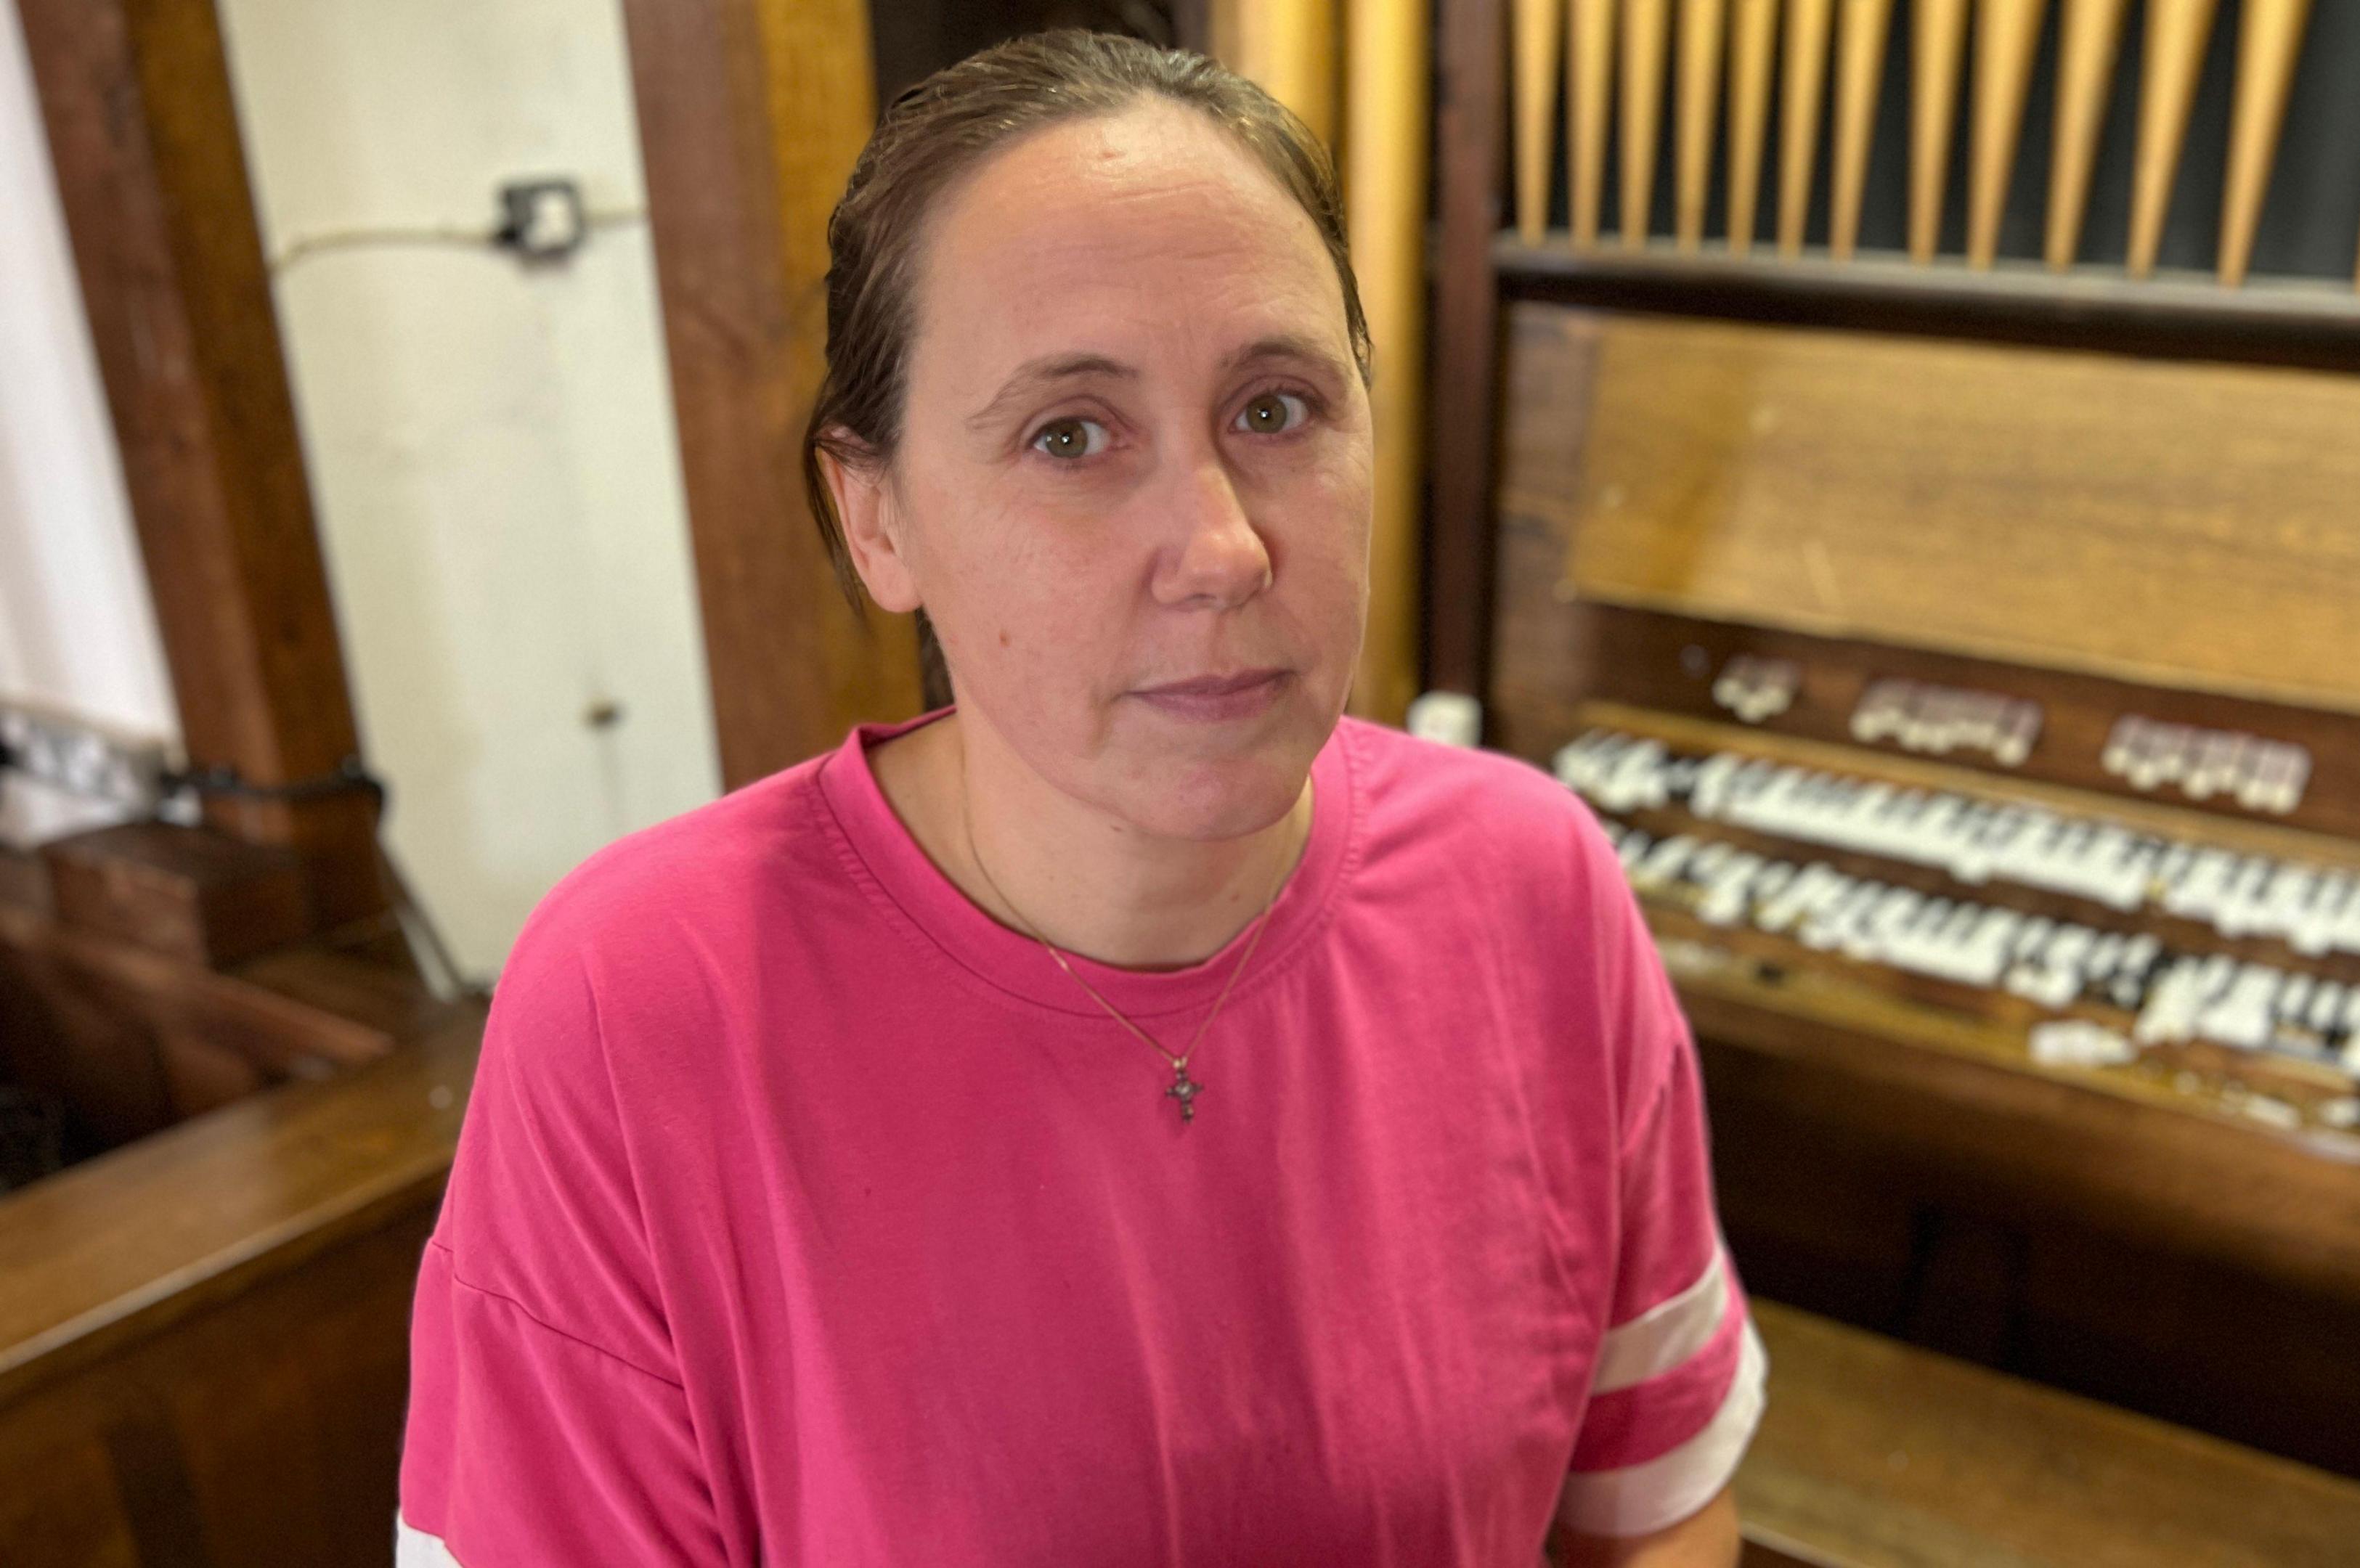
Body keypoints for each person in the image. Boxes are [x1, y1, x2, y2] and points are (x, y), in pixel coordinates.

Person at [396, 28, 1763, 1567]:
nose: (1225, 548)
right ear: (877, 520)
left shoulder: (1536, 885)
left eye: (1277, 407)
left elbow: (1652, 1501)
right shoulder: (638, 1005)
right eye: (1070, 434)